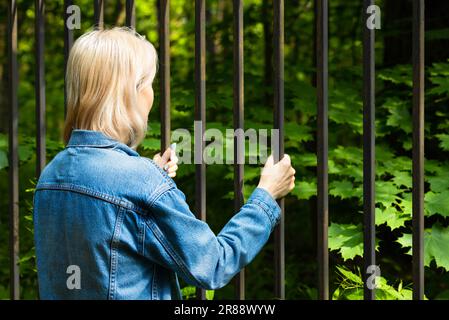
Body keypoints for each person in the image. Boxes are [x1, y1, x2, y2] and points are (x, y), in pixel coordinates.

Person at [33, 27, 296, 300]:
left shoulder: (51, 175)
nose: (152, 95)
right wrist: (266, 194)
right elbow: (213, 265)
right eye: (149, 84)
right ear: (130, 93)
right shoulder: (140, 182)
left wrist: (151, 177)